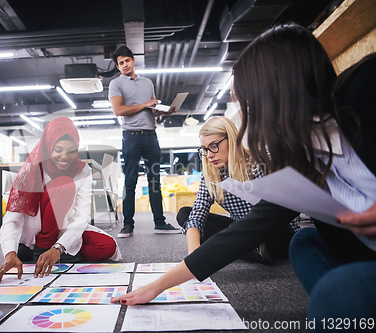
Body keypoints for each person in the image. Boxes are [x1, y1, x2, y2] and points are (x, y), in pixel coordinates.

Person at [111, 24, 376, 331]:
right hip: (355, 248)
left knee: (336, 292)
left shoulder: (364, 90)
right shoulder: (300, 153)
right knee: (306, 242)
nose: (246, 113)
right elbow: (251, 226)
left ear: (276, 89)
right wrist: (157, 286)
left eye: (246, 101)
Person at [0, 117, 121, 285]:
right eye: (58, 149)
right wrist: (10, 253)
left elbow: (81, 217)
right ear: (49, 147)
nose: (65, 156)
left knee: (108, 246)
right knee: (64, 185)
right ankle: (41, 250)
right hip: (36, 231)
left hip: (62, 227)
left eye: (71, 150)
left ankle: (44, 253)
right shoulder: (31, 169)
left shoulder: (84, 170)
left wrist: (59, 247)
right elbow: (13, 218)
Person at [176, 116, 299, 264]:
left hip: (274, 229)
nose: (209, 155)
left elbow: (280, 212)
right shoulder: (211, 174)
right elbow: (198, 212)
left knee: (272, 224)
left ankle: (244, 251)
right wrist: (194, 251)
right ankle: (252, 252)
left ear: (232, 140)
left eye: (214, 146)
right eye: (204, 149)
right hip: (242, 232)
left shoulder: (258, 163)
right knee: (185, 213)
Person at [108, 45, 181, 237]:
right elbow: (119, 110)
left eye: (126, 61)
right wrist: (146, 104)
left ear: (133, 60)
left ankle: (160, 223)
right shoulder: (116, 84)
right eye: (120, 63)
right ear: (118, 66)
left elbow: (151, 111)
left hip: (151, 136)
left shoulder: (147, 82)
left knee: (155, 181)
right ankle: (128, 225)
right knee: (130, 181)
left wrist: (163, 110)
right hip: (130, 137)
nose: (124, 65)